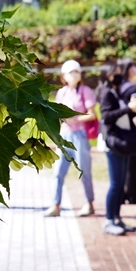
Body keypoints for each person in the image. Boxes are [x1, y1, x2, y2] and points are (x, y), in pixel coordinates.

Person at [98, 61, 136, 236]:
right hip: (113, 142)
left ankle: (117, 218)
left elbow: (122, 115)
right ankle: (109, 220)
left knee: (121, 183)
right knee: (115, 184)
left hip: (121, 140)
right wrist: (128, 108)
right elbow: (107, 117)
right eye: (114, 73)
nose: (118, 75)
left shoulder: (114, 91)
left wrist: (134, 110)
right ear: (107, 75)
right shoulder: (105, 92)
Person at [46, 60, 97, 218]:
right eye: (70, 72)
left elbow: (92, 114)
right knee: (58, 172)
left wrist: (74, 118)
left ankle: (89, 203)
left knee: (84, 170)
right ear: (64, 76)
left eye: (76, 71)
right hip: (64, 135)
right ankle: (56, 205)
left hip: (79, 135)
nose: (74, 74)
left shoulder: (85, 91)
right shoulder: (61, 92)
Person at [117, 57, 136, 205]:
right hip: (130, 129)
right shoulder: (132, 88)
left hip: (118, 129)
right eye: (133, 66)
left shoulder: (117, 87)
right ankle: (132, 196)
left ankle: (120, 195)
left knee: (120, 165)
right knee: (133, 165)